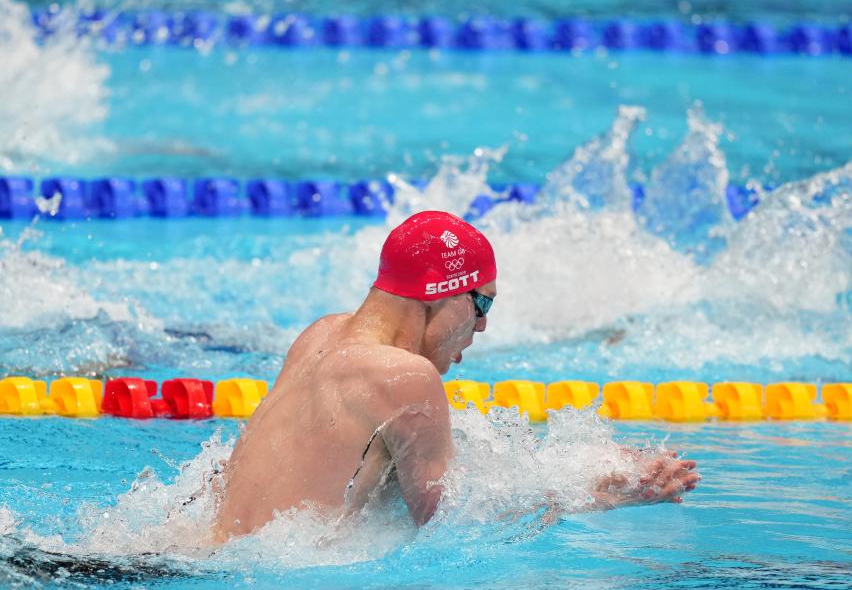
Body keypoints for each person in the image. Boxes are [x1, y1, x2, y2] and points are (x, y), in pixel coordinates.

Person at [212, 210, 698, 542]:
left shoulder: (320, 335)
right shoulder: (405, 375)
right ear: (441, 295)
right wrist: (602, 492)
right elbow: (450, 522)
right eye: (481, 303)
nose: (483, 325)